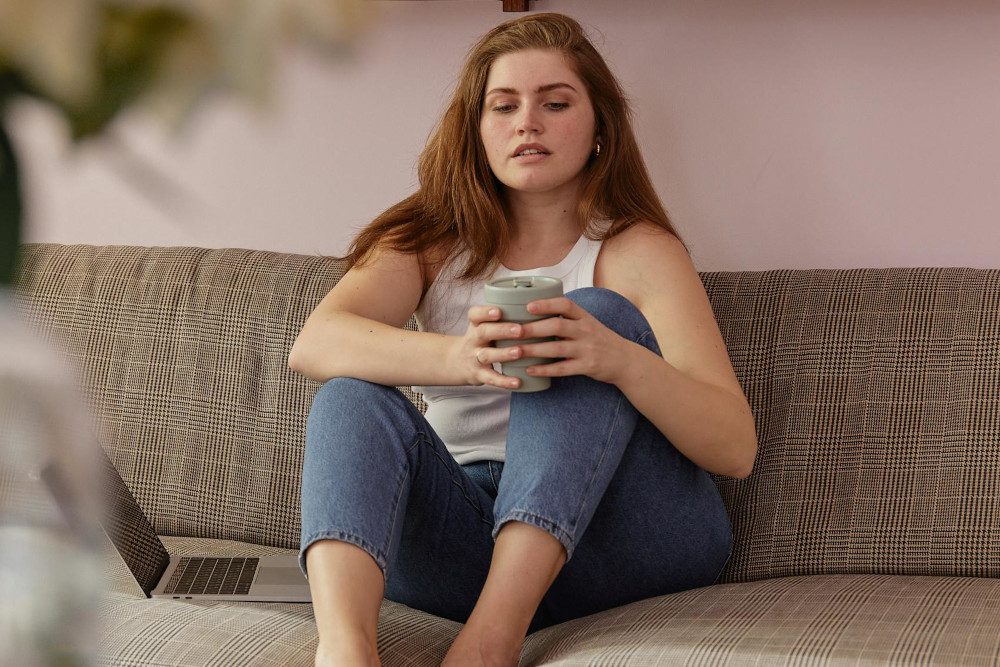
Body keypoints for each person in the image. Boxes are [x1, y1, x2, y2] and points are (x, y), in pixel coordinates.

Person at [288, 12, 757, 667]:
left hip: (623, 537)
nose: (526, 122)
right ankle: (344, 650)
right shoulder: (429, 241)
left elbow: (735, 448)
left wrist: (618, 359)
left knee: (595, 314)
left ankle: (488, 645)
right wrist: (460, 357)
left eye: (555, 103)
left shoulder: (638, 251)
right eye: (503, 106)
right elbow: (316, 341)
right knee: (347, 393)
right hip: (468, 535)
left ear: (599, 127)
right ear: (478, 131)